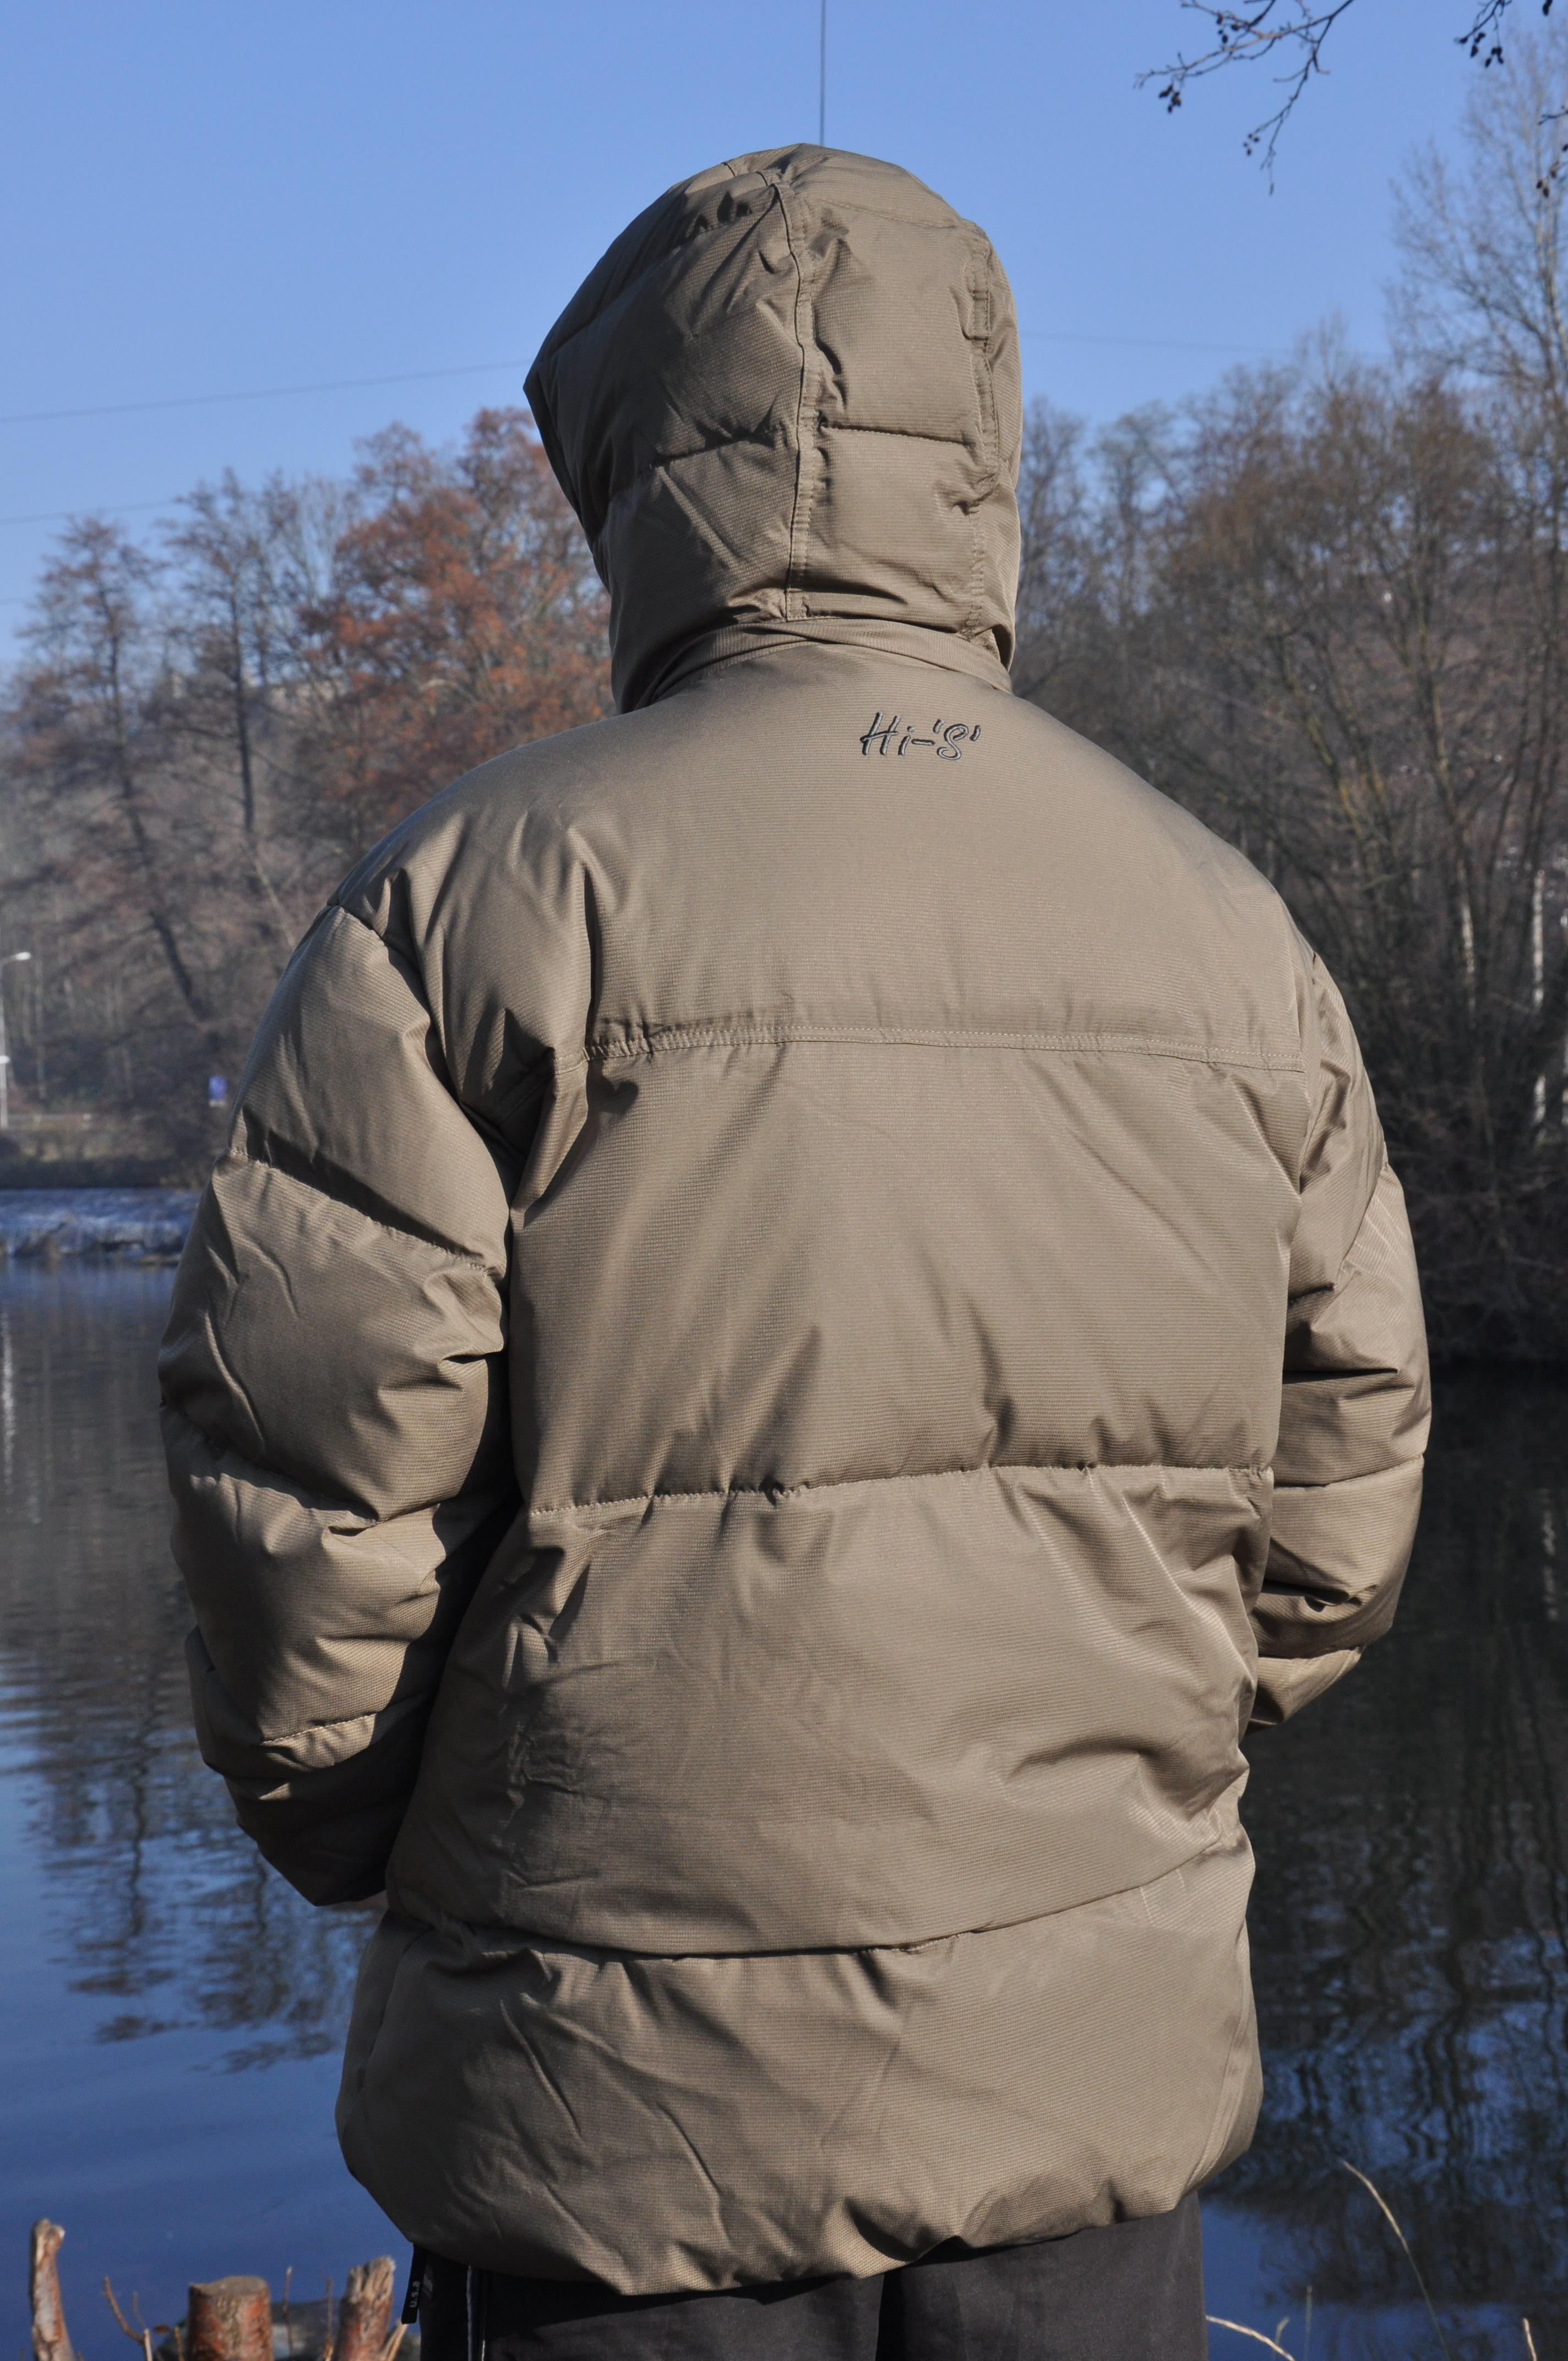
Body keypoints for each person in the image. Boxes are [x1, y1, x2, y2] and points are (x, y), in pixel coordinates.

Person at [160, 147, 1429, 2359]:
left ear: (645, 462)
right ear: (980, 450)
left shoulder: (467, 903)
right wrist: (1103, 1784)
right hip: (1076, 2100)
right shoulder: (1228, 928)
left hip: (609, 2122)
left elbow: (308, 1521)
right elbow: (1339, 1511)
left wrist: (420, 1851)